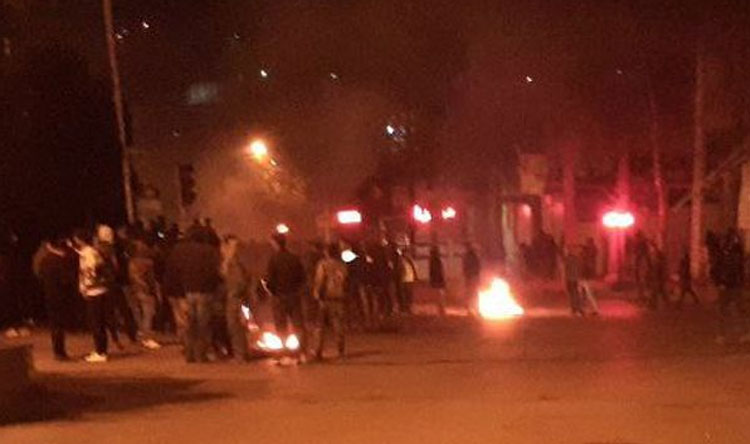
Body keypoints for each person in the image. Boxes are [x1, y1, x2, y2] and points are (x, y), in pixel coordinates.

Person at [165, 228, 222, 363]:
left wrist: (176, 291)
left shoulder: (178, 250)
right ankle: (201, 355)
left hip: (187, 292)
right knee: (203, 325)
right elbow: (215, 272)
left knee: (190, 324)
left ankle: (189, 354)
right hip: (205, 292)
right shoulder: (209, 251)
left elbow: (173, 271)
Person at [95, 225, 138, 348]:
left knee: (111, 313)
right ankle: (131, 335)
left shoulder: (100, 250)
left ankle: (116, 338)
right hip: (116, 282)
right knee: (124, 309)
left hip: (108, 283)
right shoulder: (116, 248)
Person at [266, 234, 307, 361]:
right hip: (294, 296)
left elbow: (270, 280)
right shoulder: (294, 258)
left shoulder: (274, 259)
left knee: (281, 326)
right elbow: (302, 277)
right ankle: (301, 352)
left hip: (279, 297)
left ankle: (283, 352)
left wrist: (272, 292)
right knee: (298, 325)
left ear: (275, 243)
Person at [73, 230, 111, 363]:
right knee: (99, 322)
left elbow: (89, 271)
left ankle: (100, 352)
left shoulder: (87, 253)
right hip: (100, 289)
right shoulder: (93, 251)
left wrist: (85, 287)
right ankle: (101, 350)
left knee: (96, 322)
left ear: (80, 239)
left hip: (94, 291)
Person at [37, 238, 78, 361]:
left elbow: (39, 275)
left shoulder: (45, 260)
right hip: (60, 295)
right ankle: (60, 352)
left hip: (49, 295)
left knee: (55, 324)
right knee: (59, 325)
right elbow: (67, 280)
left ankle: (58, 351)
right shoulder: (61, 261)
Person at [312, 243, 349, 360]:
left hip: (325, 298)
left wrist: (316, 294)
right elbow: (346, 281)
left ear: (327, 252)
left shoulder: (323, 264)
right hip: (339, 297)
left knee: (320, 326)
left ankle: (318, 351)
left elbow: (320, 280)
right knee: (338, 325)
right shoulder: (342, 265)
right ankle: (340, 350)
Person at [221, 235, 251, 363]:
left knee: (235, 326)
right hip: (241, 300)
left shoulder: (234, 264)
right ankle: (243, 353)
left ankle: (240, 355)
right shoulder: (235, 262)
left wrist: (233, 293)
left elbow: (239, 283)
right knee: (239, 326)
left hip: (236, 300)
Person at [716, 229, 748, 345]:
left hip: (730, 285)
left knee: (728, 310)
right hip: (731, 285)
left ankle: (726, 335)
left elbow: (724, 269)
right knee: (734, 310)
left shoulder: (730, 254)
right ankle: (736, 334)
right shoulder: (732, 254)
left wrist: (721, 282)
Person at [128, 239, 161, 350]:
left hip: (135, 290)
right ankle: (148, 338)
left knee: (139, 314)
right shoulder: (148, 262)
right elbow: (151, 279)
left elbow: (132, 277)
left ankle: (141, 334)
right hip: (146, 291)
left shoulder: (131, 262)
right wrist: (152, 289)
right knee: (148, 314)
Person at [647, 244, 669, 310]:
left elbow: (657, 272)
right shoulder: (660, 262)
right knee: (660, 293)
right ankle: (653, 305)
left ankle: (653, 305)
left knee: (655, 293)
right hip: (659, 281)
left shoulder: (659, 263)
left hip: (658, 281)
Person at [563, 247, 584, 316]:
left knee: (572, 294)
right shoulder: (577, 259)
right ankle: (578, 308)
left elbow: (566, 269)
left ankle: (574, 308)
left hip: (570, 279)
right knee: (576, 293)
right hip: (575, 279)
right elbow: (580, 269)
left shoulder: (567, 259)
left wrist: (565, 278)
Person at [396, 249, 418, 314]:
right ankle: (405, 308)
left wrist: (415, 277)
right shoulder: (401, 260)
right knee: (405, 294)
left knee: (409, 294)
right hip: (404, 279)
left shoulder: (410, 260)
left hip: (409, 279)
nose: (408, 254)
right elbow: (399, 269)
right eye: (406, 253)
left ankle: (408, 308)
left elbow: (414, 268)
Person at [462, 244, 481, 315]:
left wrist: (466, 274)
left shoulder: (467, 257)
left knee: (470, 293)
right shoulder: (473, 256)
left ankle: (470, 309)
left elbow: (465, 267)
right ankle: (474, 309)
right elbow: (478, 266)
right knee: (474, 293)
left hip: (470, 277)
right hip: (472, 277)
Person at [429, 245, 447, 316]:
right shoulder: (436, 260)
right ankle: (441, 309)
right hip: (439, 280)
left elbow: (433, 271)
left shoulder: (433, 260)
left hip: (437, 280)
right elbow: (439, 271)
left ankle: (440, 309)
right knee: (439, 295)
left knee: (438, 295)